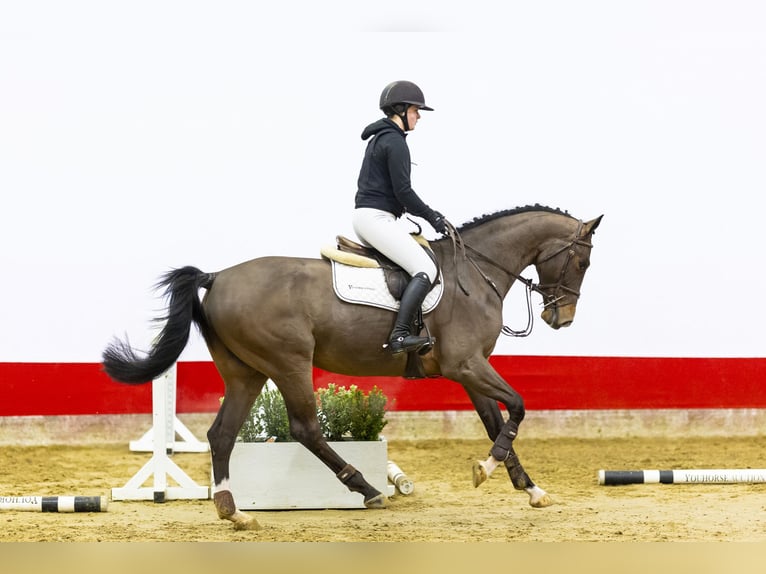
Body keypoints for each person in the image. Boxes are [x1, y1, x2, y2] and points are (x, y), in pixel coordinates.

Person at [353, 80, 450, 355]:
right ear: (401, 110)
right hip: (375, 218)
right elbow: (404, 191)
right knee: (427, 269)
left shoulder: (382, 138)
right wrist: (434, 218)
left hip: (370, 217)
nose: (418, 116)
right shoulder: (394, 142)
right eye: (415, 110)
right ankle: (399, 335)